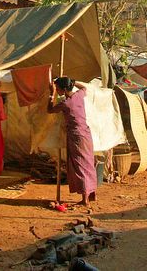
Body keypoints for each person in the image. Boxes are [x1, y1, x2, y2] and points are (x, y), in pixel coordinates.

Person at [48, 77, 97, 206]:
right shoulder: (79, 95)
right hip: (85, 133)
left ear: (64, 89)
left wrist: (51, 94)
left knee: (80, 165)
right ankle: (89, 194)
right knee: (87, 163)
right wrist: (74, 82)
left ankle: (85, 198)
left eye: (58, 88)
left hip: (76, 136)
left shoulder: (66, 103)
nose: (57, 90)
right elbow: (84, 88)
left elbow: (49, 110)